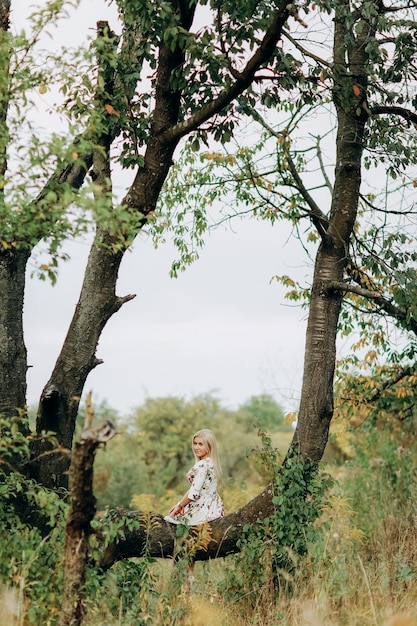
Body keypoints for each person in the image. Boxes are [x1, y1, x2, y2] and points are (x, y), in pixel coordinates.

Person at [164, 429, 224, 526]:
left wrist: (179, 506)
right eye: (195, 444)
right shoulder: (212, 463)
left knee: (170, 522)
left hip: (201, 509)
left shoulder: (203, 465)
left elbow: (193, 494)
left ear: (209, 445)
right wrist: (179, 504)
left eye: (201, 444)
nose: (196, 447)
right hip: (214, 508)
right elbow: (195, 488)